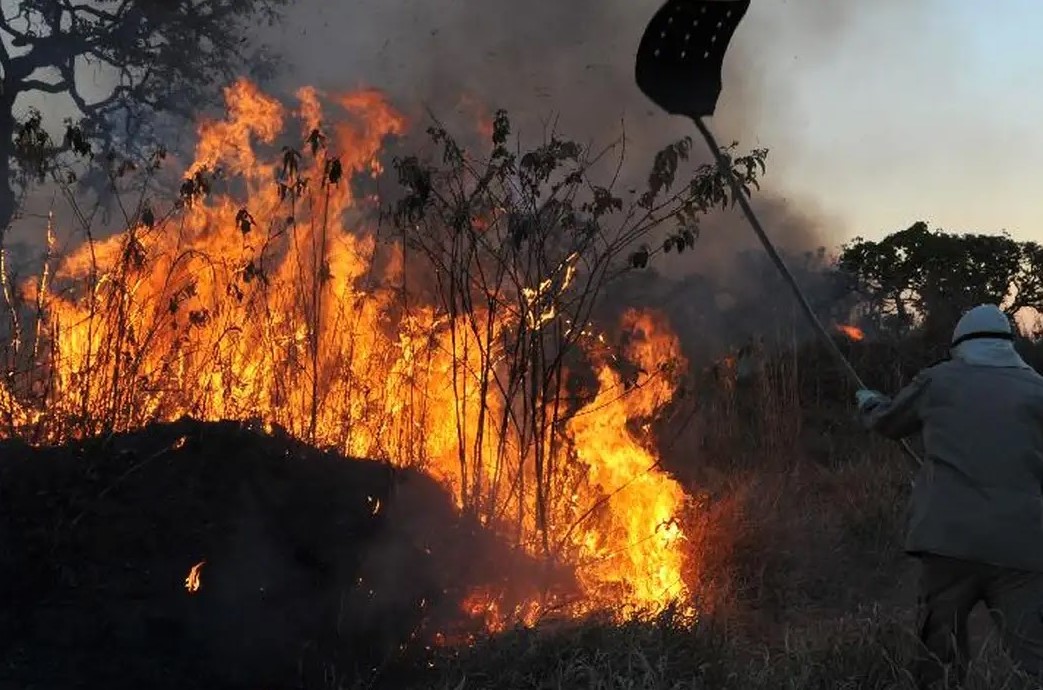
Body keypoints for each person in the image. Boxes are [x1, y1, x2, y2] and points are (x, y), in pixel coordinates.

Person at [856, 303, 1043, 688]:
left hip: (947, 542)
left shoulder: (938, 381)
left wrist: (869, 403)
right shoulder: (1037, 390)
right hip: (1021, 547)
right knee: (1034, 656)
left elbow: (889, 422)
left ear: (961, 344)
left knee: (938, 660)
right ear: (1009, 344)